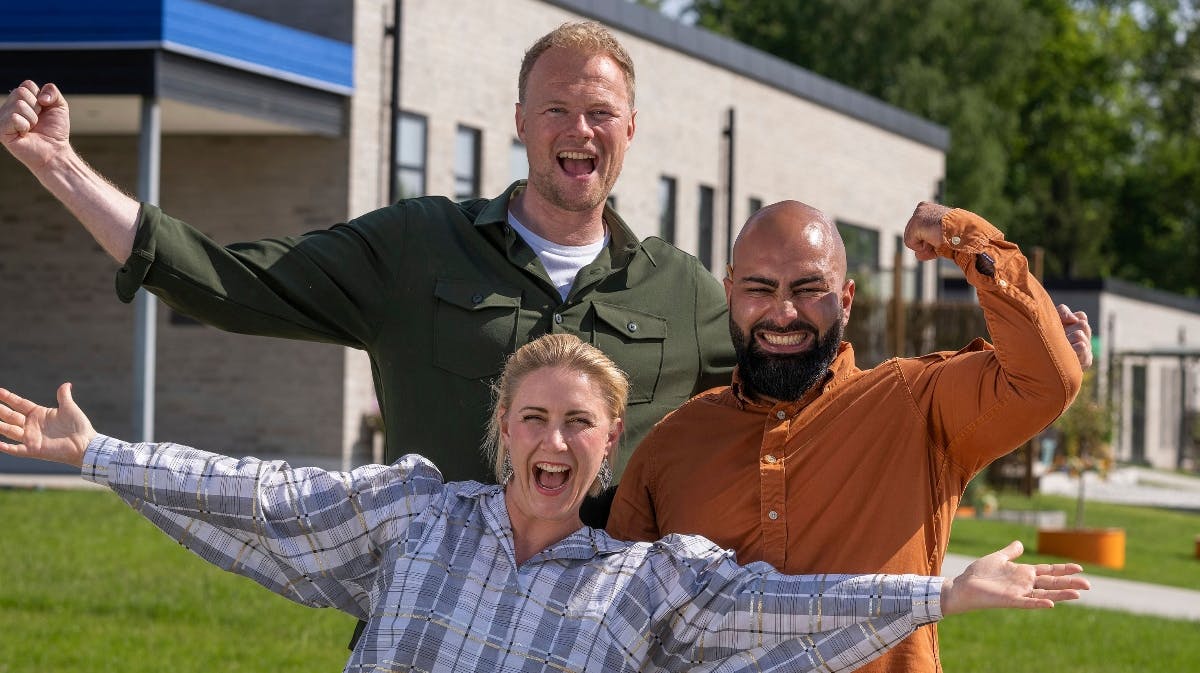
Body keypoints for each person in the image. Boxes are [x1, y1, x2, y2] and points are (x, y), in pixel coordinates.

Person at [0, 334, 1088, 673]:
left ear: (611, 443)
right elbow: (266, 496)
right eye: (534, 417)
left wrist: (947, 588)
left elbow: (786, 609)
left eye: (580, 423)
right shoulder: (418, 516)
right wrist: (102, 453)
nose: (553, 439)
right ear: (502, 428)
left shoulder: (648, 578)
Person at [0, 21, 735, 519]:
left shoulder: (683, 292)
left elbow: (785, 410)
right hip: (425, 626)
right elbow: (231, 281)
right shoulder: (420, 244)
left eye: (601, 112)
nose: (579, 130)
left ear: (631, 129)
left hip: (602, 640)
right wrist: (61, 167)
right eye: (557, 109)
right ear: (519, 121)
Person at [607, 201, 1088, 673]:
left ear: (847, 300)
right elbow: (616, 620)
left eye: (809, 288)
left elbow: (1044, 380)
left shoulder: (914, 403)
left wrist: (961, 234)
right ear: (729, 293)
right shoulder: (674, 443)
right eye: (759, 288)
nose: (783, 312)